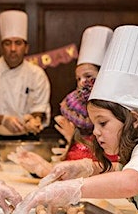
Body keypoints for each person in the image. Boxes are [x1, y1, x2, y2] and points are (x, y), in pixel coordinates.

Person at [12, 25, 138, 214]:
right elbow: (122, 169)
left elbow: (130, 181)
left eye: (103, 123)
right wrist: (86, 167)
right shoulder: (135, 150)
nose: (96, 132)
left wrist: (70, 188)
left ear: (135, 120)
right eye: (94, 124)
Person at [8, 25, 114, 178]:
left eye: (88, 76)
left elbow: (108, 165)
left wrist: (73, 138)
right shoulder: (76, 108)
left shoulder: (115, 115)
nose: (82, 83)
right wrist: (45, 167)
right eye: (78, 78)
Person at [0, 10, 51, 160]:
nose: (13, 49)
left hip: (29, 143)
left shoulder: (37, 74)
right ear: (2, 46)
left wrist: (33, 120)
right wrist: (3, 120)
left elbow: (39, 110)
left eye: (18, 43)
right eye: (8, 43)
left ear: (26, 47)